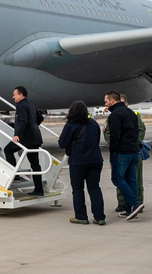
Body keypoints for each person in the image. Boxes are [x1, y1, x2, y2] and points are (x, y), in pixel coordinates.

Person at [58, 101, 105, 225]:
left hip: (78, 161)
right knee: (94, 187)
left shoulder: (70, 125)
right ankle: (99, 217)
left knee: (78, 189)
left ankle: (81, 216)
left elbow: (62, 144)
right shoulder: (94, 124)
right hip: (95, 159)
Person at [104, 90, 144, 219]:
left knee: (117, 179)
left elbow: (114, 135)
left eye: (106, 101)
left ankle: (135, 203)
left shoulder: (115, 115)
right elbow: (137, 132)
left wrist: (112, 151)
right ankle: (130, 209)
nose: (105, 104)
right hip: (134, 151)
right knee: (131, 180)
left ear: (112, 100)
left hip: (122, 152)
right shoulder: (131, 113)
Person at [5, 86, 44, 195]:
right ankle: (39, 189)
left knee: (8, 150)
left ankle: (15, 175)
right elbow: (40, 118)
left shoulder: (21, 106)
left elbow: (22, 121)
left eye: (15, 94)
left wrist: (17, 134)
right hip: (35, 137)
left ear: (21, 94)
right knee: (35, 165)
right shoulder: (30, 105)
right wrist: (33, 127)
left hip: (25, 138)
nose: (13, 97)